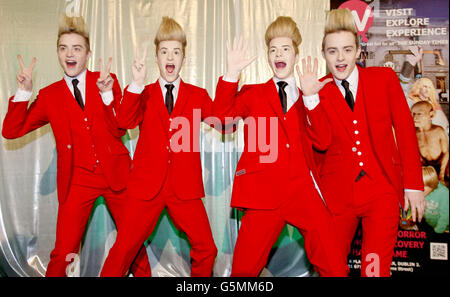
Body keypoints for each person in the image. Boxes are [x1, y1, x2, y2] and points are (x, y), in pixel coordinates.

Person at [2, 15, 150, 277]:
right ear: (58, 53)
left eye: (76, 48)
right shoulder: (48, 96)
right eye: (63, 48)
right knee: (64, 251)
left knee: (132, 245)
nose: (69, 54)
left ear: (88, 53)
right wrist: (23, 92)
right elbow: (12, 131)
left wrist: (107, 96)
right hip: (77, 181)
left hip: (118, 174)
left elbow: (121, 127)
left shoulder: (107, 80)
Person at [212, 16, 348, 277]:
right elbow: (220, 121)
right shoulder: (252, 94)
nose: (278, 54)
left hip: (304, 191)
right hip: (262, 195)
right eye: (273, 50)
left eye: (285, 48)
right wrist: (231, 75)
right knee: (243, 271)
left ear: (296, 53)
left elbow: (323, 141)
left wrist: (310, 98)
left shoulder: (314, 91)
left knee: (334, 265)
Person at [303, 8, 425, 277]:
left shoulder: (383, 79)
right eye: (332, 51)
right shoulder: (316, 90)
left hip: (381, 190)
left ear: (359, 51)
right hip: (336, 197)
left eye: (347, 49)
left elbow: (405, 131)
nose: (340, 58)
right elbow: (320, 143)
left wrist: (414, 185)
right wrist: (310, 100)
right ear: (323, 54)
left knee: (374, 270)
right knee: (332, 268)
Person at [100, 17, 217, 277]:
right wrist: (136, 83)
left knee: (207, 248)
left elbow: (226, 124)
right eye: (164, 51)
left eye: (176, 51)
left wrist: (231, 76)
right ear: (157, 56)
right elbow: (124, 121)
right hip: (145, 187)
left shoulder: (198, 96)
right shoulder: (144, 93)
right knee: (123, 250)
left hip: (184, 188)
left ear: (184, 57)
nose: (170, 57)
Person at [411, 101, 449, 183]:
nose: (414, 117)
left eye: (419, 114)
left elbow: (446, 153)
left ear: (431, 115)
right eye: (413, 113)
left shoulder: (438, 131)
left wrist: (441, 175)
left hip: (442, 166)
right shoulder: (413, 133)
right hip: (426, 169)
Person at [422, 166, 449, 234]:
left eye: (424, 186)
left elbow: (445, 216)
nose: (420, 189)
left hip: (444, 229)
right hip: (430, 226)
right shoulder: (423, 192)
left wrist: (437, 232)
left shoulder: (444, 193)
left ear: (431, 184)